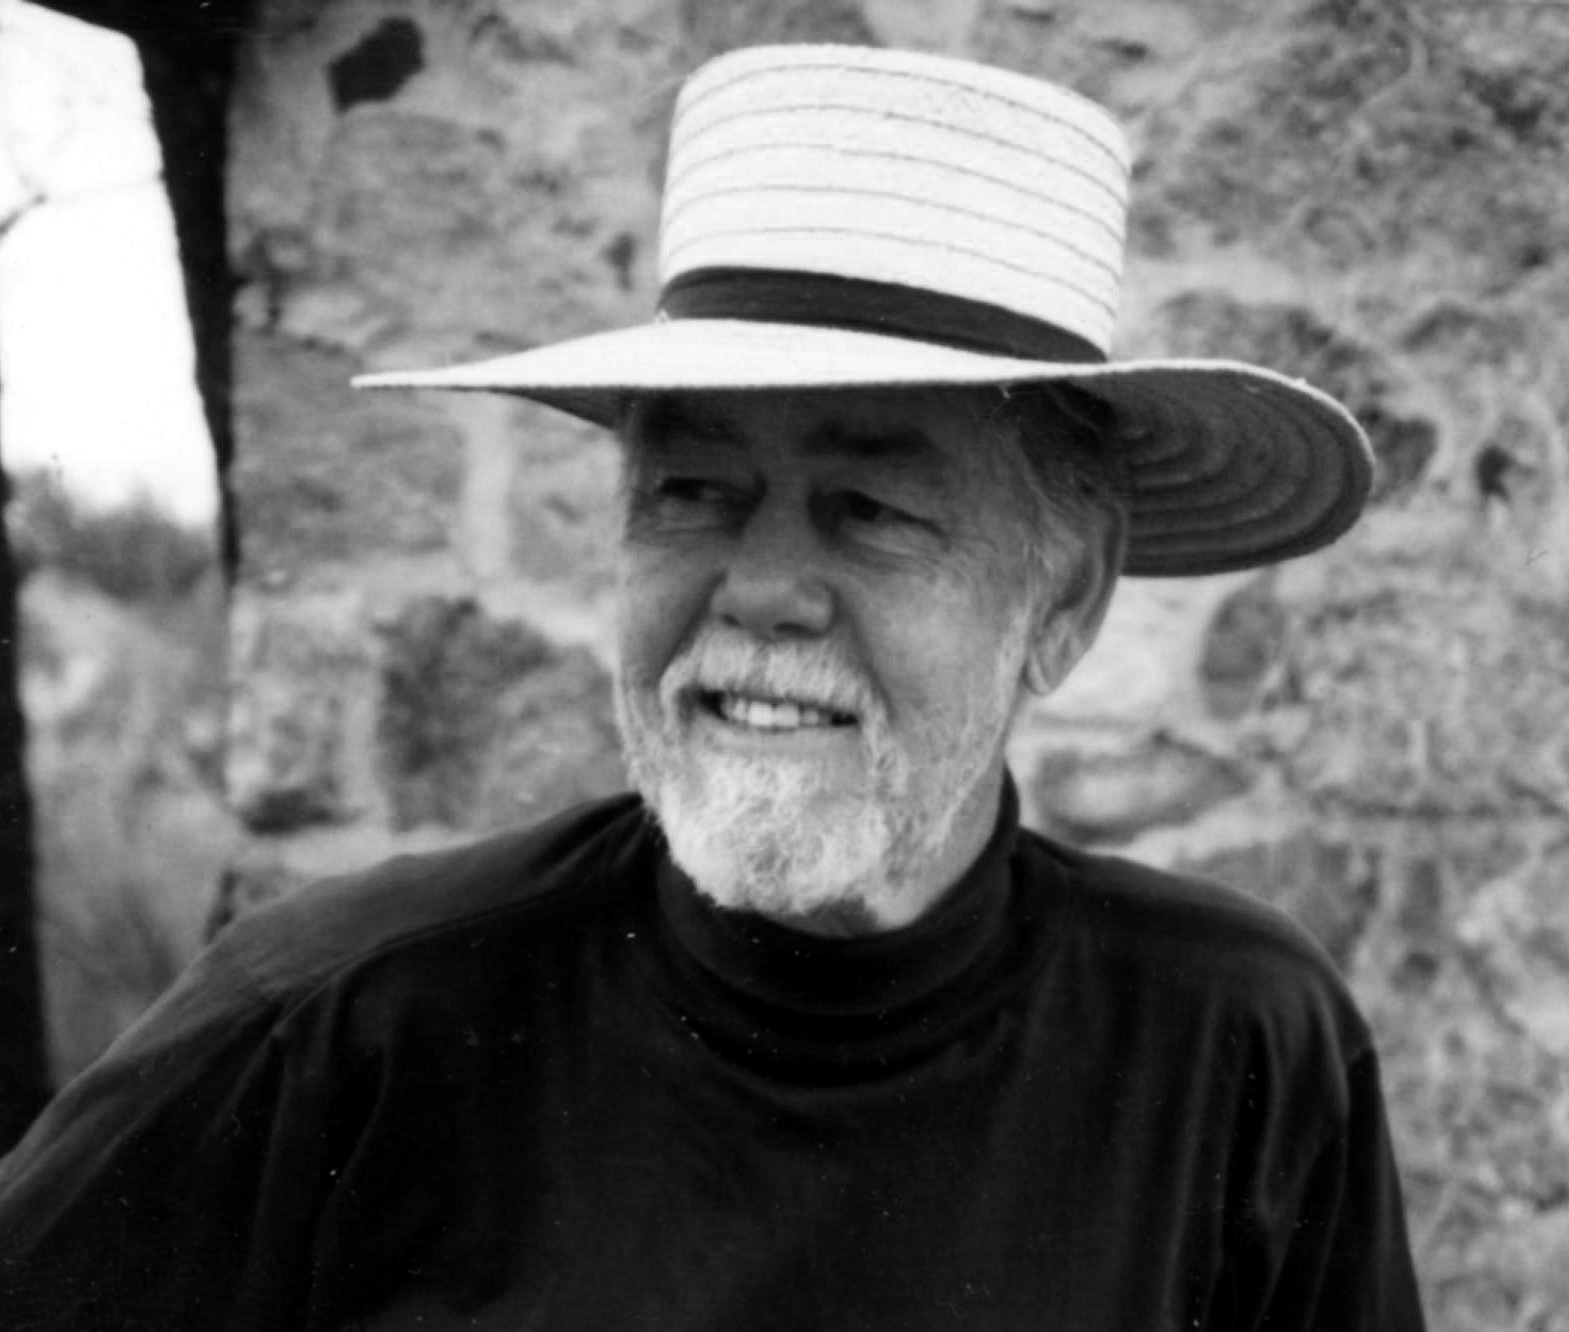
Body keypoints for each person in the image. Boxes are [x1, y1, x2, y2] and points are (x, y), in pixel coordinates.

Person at [0, 44, 1425, 1331]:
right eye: (693, 491)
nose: (761, 589)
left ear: (1062, 601)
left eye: (868, 508)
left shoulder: (1234, 1048)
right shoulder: (339, 1019)